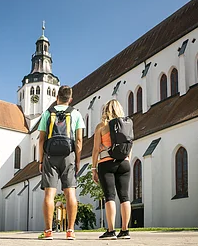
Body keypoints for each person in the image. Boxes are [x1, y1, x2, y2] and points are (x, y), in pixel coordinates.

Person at [38, 85, 85, 240]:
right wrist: (77, 161)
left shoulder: (47, 114)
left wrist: (40, 160)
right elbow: (78, 141)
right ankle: (70, 231)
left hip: (50, 156)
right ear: (70, 99)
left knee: (49, 193)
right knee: (70, 192)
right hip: (68, 156)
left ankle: (48, 231)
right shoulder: (76, 114)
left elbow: (41, 140)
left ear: (56, 97)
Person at [92, 99, 131, 240]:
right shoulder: (127, 124)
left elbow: (96, 150)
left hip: (107, 163)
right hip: (125, 163)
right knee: (125, 197)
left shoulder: (101, 126)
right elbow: (129, 145)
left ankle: (111, 231)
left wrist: (93, 168)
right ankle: (125, 231)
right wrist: (127, 160)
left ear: (106, 110)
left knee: (110, 196)